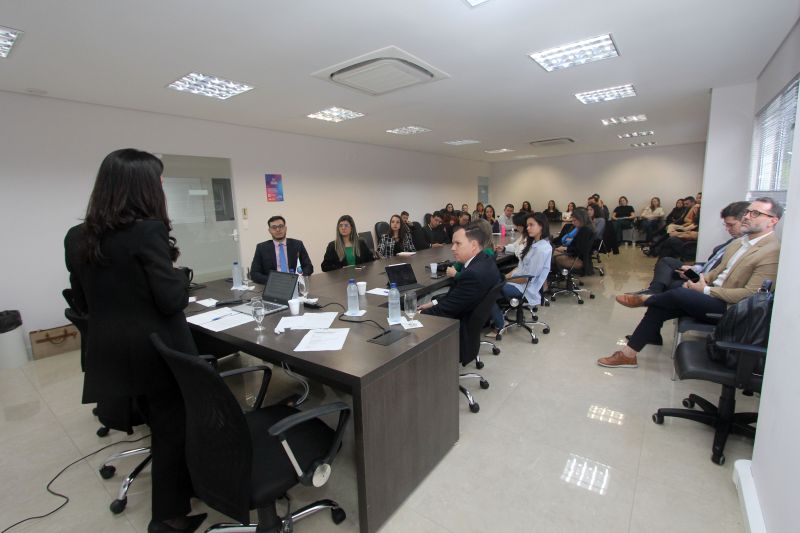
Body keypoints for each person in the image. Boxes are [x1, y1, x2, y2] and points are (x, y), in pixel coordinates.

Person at [64, 149, 206, 533]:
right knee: (172, 428)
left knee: (162, 425)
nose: (162, 186)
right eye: (158, 180)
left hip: (112, 358)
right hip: (157, 354)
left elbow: (82, 301)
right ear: (142, 187)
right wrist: (181, 276)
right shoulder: (147, 231)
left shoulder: (77, 237)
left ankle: (182, 492)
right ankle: (168, 519)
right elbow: (171, 299)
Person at [598, 197, 782, 369]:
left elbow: (751, 295)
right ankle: (628, 355)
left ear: (773, 221)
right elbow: (716, 272)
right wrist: (699, 281)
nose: (747, 216)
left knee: (677, 292)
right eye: (748, 212)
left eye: (755, 213)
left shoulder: (771, 252)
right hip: (711, 293)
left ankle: (646, 298)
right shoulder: (739, 243)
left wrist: (705, 290)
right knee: (661, 305)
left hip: (729, 307)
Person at [419, 222, 502, 364]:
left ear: (474, 245)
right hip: (468, 323)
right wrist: (433, 303)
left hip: (459, 331)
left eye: (458, 244)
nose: (453, 248)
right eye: (453, 243)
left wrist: (418, 315)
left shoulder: (473, 274)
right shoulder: (485, 261)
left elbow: (446, 310)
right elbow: (456, 296)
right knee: (427, 302)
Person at [631, 201, 750, 296]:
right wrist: (695, 267)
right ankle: (654, 290)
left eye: (731, 225)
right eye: (726, 225)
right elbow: (712, 264)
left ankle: (655, 289)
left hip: (703, 280)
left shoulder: (746, 248)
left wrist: (697, 273)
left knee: (670, 274)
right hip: (700, 273)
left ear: (745, 222)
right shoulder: (734, 241)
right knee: (666, 260)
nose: (727, 229)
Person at [490, 212, 552, 333]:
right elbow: (522, 267)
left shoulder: (541, 249)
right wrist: (506, 277)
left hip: (525, 288)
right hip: (519, 282)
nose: (527, 228)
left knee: (487, 292)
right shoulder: (534, 243)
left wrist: (505, 279)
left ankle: (500, 324)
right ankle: (497, 320)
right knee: (489, 289)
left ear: (541, 226)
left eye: (531, 225)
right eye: (527, 225)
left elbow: (526, 278)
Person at [250, 215, 314, 284]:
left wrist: (298, 278)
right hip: (273, 285)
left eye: (281, 226)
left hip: (295, 283)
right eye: (274, 227)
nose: (278, 230)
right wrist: (273, 280)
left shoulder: (297, 244)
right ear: (269, 231)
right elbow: (254, 273)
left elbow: (309, 267)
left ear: (285, 228)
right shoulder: (261, 248)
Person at [552, 207, 593, 271]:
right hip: (581, 259)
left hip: (579, 261)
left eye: (574, 220)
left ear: (581, 219)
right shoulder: (586, 228)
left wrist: (565, 249)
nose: (573, 223)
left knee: (549, 253)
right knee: (551, 251)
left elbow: (579, 250)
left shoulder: (584, 231)